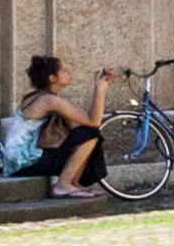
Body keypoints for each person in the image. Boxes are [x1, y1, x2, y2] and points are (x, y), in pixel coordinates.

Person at [6, 55, 111, 198]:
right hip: (24, 164)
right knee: (90, 133)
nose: (69, 73)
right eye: (64, 71)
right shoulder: (49, 100)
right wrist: (100, 90)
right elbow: (94, 122)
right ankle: (63, 185)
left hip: (19, 163)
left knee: (87, 133)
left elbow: (90, 122)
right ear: (52, 78)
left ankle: (73, 184)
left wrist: (98, 89)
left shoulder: (40, 96)